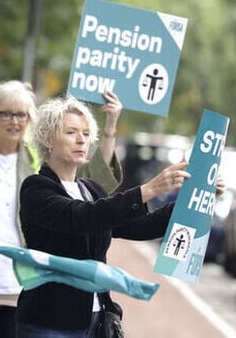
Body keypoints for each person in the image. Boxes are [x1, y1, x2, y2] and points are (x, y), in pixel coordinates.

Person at [15, 95, 208, 338]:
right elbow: (83, 217)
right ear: (47, 137)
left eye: (86, 133)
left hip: (96, 320)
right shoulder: (36, 188)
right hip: (50, 322)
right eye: (71, 132)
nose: (81, 140)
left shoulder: (90, 188)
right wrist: (149, 190)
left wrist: (196, 202)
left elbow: (141, 227)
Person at [0, 81, 124, 338]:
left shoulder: (40, 158)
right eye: (6, 113)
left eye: (22, 114)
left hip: (28, 285)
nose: (15, 121)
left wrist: (109, 128)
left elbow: (96, 185)